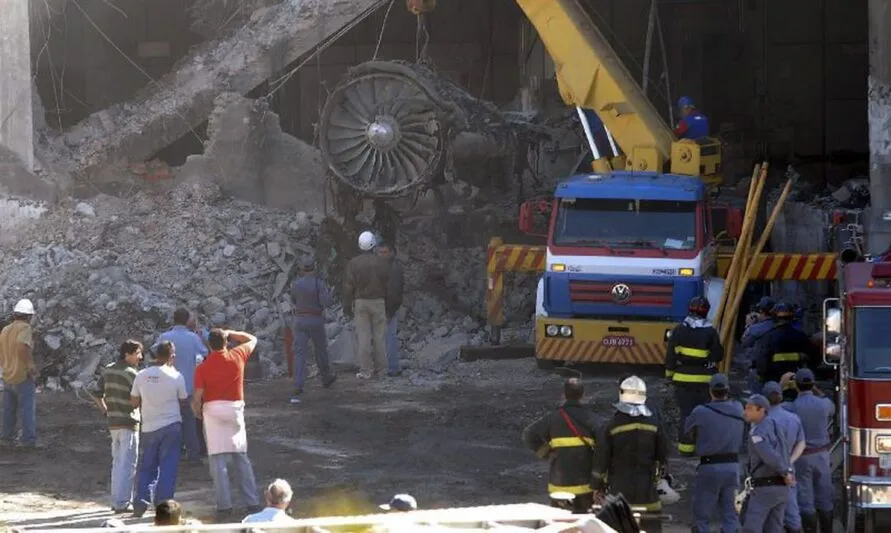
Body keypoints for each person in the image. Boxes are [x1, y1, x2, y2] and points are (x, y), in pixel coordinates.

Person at [192, 328, 262, 519]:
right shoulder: (238, 354)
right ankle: (252, 500)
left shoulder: (203, 367)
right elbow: (252, 338)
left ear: (209, 345)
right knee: (240, 456)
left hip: (213, 410)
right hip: (234, 409)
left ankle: (224, 505)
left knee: (217, 460)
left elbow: (197, 396)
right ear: (226, 342)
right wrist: (231, 332)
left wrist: (196, 410)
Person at [593, 376, 668, 532]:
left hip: (619, 490)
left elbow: (601, 459)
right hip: (647, 491)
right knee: (651, 526)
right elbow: (663, 456)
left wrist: (597, 486)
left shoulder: (611, 425)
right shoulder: (654, 425)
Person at [522, 378, 599, 513]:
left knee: (560, 522)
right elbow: (604, 447)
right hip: (585, 486)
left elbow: (528, 435)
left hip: (559, 487)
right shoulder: (592, 420)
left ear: (563, 395)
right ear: (582, 395)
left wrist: (546, 452)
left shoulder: (553, 418)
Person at [130, 340, 187, 517]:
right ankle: (163, 505)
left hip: (149, 427)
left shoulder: (142, 375)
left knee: (147, 466)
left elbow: (133, 401)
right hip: (171, 426)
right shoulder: (176, 376)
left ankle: (140, 503)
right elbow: (183, 400)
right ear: (172, 356)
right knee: (168, 467)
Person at [684, 373, 745, 533]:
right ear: (727, 390)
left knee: (702, 516)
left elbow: (688, 433)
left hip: (709, 467)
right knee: (731, 514)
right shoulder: (738, 408)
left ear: (710, 390)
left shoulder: (700, 411)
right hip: (733, 467)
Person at [665, 296, 723, 455]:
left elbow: (670, 357)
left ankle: (686, 448)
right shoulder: (711, 332)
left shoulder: (678, 330)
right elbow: (718, 354)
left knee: (686, 413)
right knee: (705, 413)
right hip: (705, 382)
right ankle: (704, 446)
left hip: (682, 381)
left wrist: (669, 375)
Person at [92, 340, 143, 513]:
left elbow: (96, 393)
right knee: (128, 464)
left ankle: (116, 500)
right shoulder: (132, 374)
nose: (140, 357)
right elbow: (138, 399)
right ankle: (122, 502)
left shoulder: (108, 369)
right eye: (137, 353)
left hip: (113, 422)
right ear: (127, 354)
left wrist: (105, 410)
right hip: (129, 422)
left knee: (117, 462)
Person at [153, 308, 208, 464]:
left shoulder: (165, 336)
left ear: (173, 319)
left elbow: (154, 351)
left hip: (167, 387)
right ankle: (193, 455)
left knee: (168, 421)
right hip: (188, 386)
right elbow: (204, 354)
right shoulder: (193, 338)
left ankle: (169, 454)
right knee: (190, 423)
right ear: (186, 321)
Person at [784, 368, 835, 533]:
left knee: (805, 498)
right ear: (813, 384)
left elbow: (773, 407)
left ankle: (810, 529)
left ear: (796, 386)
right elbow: (832, 407)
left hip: (802, 456)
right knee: (825, 495)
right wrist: (816, 389)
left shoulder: (791, 407)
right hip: (822, 455)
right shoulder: (825, 404)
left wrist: (782, 383)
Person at [742, 394, 795, 533]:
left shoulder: (757, 431)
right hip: (781, 488)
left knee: (751, 528)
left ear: (762, 410)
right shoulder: (775, 425)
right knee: (774, 528)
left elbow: (769, 455)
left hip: (765, 487)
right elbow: (784, 451)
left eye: (749, 408)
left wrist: (784, 471)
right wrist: (788, 471)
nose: (745, 412)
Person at [343, 230, 390, 379]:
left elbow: (348, 286)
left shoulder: (353, 263)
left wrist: (347, 305)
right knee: (379, 338)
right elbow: (387, 283)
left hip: (361, 302)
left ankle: (365, 370)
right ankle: (382, 370)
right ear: (373, 245)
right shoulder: (382, 262)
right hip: (378, 301)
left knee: (363, 337)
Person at [289, 255, 336, 404]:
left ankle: (298, 384)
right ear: (314, 268)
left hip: (300, 320)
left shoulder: (296, 284)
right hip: (315, 319)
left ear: (302, 269)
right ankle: (326, 377)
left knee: (299, 353)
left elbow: (294, 299)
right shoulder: (319, 284)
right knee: (320, 350)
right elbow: (326, 302)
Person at [763, 381, 807, 533]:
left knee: (768, 516)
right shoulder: (793, 418)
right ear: (781, 398)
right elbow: (802, 443)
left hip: (765, 473)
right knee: (792, 515)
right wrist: (789, 461)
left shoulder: (760, 421)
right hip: (788, 470)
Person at [752, 302, 821, 385]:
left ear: (774, 317)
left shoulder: (768, 337)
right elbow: (815, 358)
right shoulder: (801, 336)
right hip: (798, 382)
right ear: (792, 317)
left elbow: (761, 361)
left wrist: (762, 378)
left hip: (775, 383)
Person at [0, 298, 38, 448]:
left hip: (8, 376)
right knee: (27, 409)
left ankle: (6, 437)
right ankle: (28, 441)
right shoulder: (25, 328)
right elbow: (21, 347)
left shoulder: (5, 330)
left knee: (9, 410)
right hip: (22, 376)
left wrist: (5, 366)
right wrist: (30, 366)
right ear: (28, 316)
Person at [377, 241, 404, 377]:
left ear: (392, 252)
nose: (382, 255)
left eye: (385, 252)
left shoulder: (394, 268)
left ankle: (391, 367)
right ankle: (388, 367)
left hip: (387, 307)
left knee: (389, 338)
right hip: (379, 306)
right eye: (380, 252)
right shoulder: (382, 267)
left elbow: (394, 292)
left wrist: (390, 310)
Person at [742, 297, 776, 395]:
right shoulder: (780, 325)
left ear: (761, 311)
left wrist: (749, 325)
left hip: (760, 370)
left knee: (758, 399)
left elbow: (745, 342)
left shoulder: (756, 329)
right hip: (778, 370)